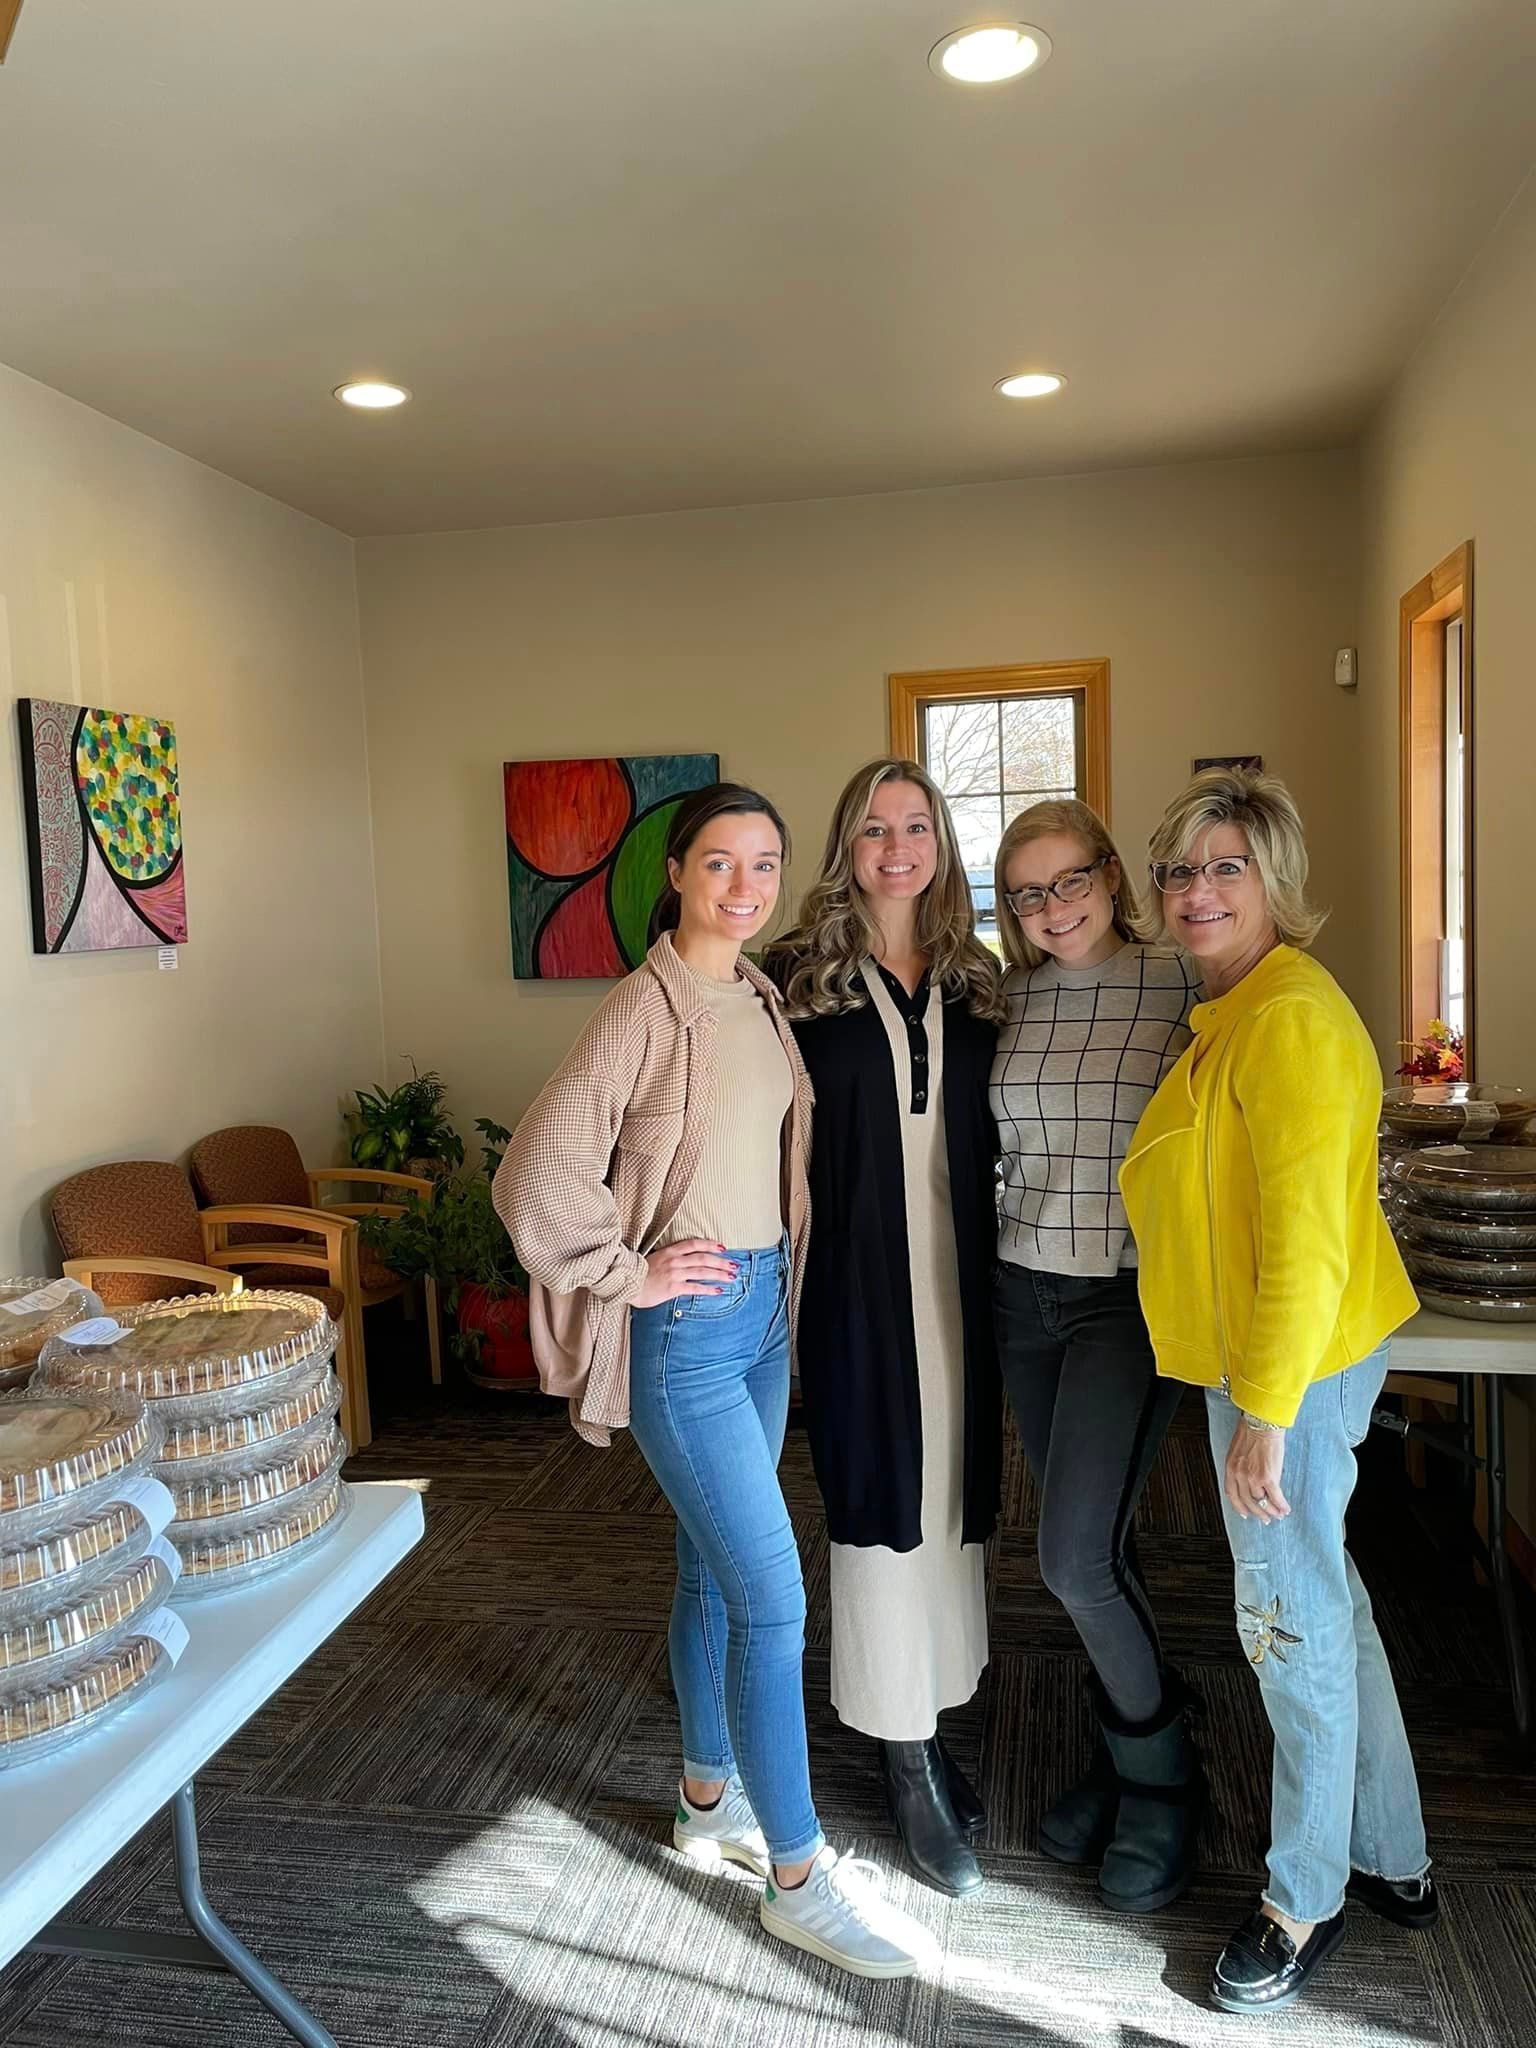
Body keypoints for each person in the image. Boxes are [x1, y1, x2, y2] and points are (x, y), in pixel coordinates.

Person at [495, 783, 920, 1979]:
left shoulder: (760, 996)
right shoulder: (645, 1008)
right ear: (675, 873)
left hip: (765, 1312)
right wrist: (624, 1272)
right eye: (720, 862)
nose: (744, 884)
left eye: (765, 862)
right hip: (688, 1328)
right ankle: (797, 1873)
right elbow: (535, 1170)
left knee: (710, 1572)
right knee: (775, 1598)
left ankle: (704, 1800)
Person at [1120, 766, 1434, 2016]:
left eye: (1226, 867)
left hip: (1285, 1368)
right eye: (1181, 869)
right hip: (1275, 1359)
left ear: (1276, 883)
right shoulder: (1236, 1010)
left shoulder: (1291, 1016)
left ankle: (1300, 1900)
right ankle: (1395, 1852)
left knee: (1287, 1624)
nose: (1199, 890)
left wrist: (1266, 1408)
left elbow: (1306, 1234)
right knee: (1327, 1597)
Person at [766, 758, 1006, 1897]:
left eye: (916, 826)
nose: (897, 846)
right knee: (876, 1499)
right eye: (874, 827)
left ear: (943, 844)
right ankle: (899, 1749)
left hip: (964, 1280)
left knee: (952, 1498)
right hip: (856, 1283)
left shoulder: (978, 979)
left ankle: (936, 1708)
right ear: (845, 844)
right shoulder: (796, 981)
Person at [990, 798, 1204, 1913]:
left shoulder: (1184, 984)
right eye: (1025, 892)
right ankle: (1127, 1755)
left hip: (1128, 1297)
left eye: (1069, 880)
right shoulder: (1004, 994)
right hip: (1022, 1292)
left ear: (1113, 875)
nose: (1051, 907)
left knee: (1074, 1557)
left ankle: (1167, 1786)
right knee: (1096, 1546)